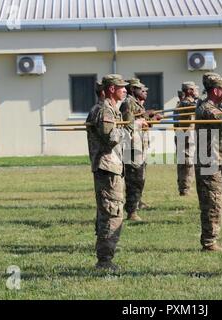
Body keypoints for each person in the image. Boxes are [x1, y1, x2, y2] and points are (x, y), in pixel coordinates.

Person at [87, 74, 147, 271]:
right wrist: (132, 127)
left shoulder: (112, 110)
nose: (125, 90)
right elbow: (111, 137)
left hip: (113, 166)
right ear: (111, 89)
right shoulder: (104, 110)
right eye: (121, 87)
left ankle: (105, 259)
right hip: (107, 167)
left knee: (112, 211)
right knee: (111, 213)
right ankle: (104, 261)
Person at [194, 74, 222, 252]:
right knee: (213, 202)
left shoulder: (209, 106)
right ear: (216, 90)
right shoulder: (209, 109)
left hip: (212, 159)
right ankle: (209, 242)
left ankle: (210, 239)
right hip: (209, 161)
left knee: (214, 200)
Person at [120, 79, 160, 221]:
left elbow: (141, 124)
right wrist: (142, 120)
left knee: (140, 178)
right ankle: (131, 211)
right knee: (134, 179)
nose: (145, 92)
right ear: (132, 90)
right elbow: (127, 125)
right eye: (141, 89)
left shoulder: (136, 104)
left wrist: (150, 119)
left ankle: (136, 203)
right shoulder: (128, 103)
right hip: (132, 147)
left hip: (140, 146)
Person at [174, 81, 199, 196]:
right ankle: (184, 188)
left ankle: (185, 187)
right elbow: (197, 108)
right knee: (186, 162)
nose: (196, 92)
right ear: (189, 91)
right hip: (186, 136)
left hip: (187, 135)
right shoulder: (186, 103)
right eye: (194, 89)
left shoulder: (185, 102)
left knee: (187, 162)